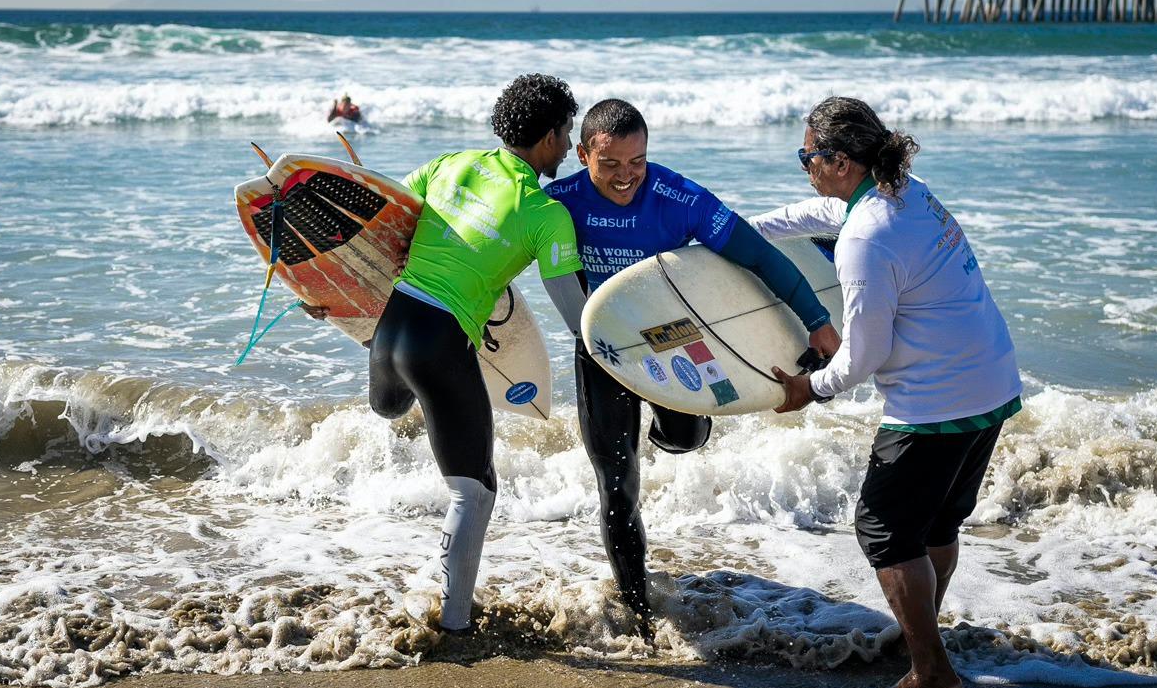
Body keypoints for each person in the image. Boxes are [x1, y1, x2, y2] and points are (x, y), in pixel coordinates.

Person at [754, 97, 1021, 688]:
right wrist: (748, 231)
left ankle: (932, 673)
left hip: (936, 402)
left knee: (883, 531)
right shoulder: (906, 190)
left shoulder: (865, 241)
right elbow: (826, 210)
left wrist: (807, 390)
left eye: (807, 156)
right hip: (990, 382)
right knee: (935, 523)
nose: (804, 166)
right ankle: (922, 633)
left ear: (841, 160)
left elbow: (862, 357)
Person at [543, 98, 840, 632]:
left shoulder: (677, 197)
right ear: (582, 153)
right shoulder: (558, 203)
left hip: (674, 344)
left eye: (637, 162)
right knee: (616, 482)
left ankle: (673, 426)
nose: (626, 177)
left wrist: (815, 319)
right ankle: (637, 608)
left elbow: (758, 255)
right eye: (609, 164)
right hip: (603, 350)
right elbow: (497, 257)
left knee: (684, 437)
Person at [305, 74, 587, 633]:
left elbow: (383, 229)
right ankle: (455, 623)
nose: (569, 144)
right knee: (475, 488)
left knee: (390, 411)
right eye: (567, 133)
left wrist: (331, 294)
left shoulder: (449, 164)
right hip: (439, 343)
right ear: (551, 137)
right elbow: (576, 315)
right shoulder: (546, 214)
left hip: (388, 332)